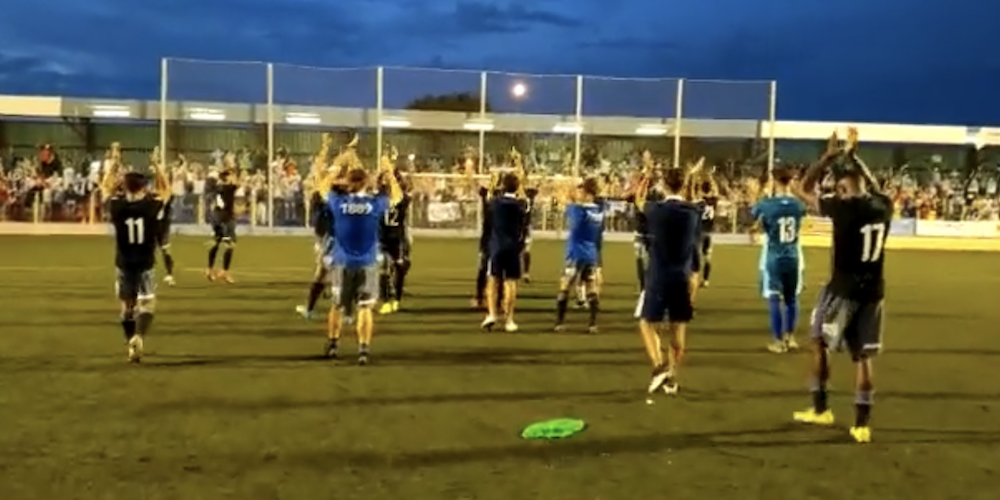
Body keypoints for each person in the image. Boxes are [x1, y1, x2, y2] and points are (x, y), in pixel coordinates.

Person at [793, 128, 891, 444]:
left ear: (841, 189)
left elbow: (802, 188)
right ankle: (862, 425)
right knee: (864, 358)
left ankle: (821, 408)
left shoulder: (843, 208)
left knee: (819, 343)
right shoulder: (883, 205)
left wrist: (827, 158)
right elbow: (873, 186)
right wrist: (853, 157)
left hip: (841, 290)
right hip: (874, 292)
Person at [321, 158, 403, 365]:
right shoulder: (374, 204)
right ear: (366, 183)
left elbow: (321, 188)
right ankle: (363, 350)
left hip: (342, 262)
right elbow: (398, 196)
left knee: (337, 305)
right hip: (367, 263)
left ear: (348, 184)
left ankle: (333, 345)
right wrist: (389, 171)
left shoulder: (339, 203)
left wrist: (335, 167)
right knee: (365, 308)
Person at [634, 164, 702, 395]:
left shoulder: (655, 209)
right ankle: (672, 377)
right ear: (683, 185)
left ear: (663, 185)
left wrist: (646, 174)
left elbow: (638, 199)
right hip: (682, 277)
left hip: (658, 276)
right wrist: (692, 179)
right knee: (678, 330)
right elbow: (692, 200)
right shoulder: (693, 212)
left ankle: (658, 367)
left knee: (646, 322)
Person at [102, 154, 171, 363]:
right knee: (147, 304)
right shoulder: (151, 205)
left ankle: (130, 342)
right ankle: (139, 336)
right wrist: (158, 166)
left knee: (127, 307)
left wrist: (114, 163)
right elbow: (166, 189)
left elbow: (105, 187)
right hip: (145, 263)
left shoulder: (117, 206)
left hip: (123, 263)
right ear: (143, 188)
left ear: (124, 187)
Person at [751, 167, 807, 353]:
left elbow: (753, 214)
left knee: (774, 298)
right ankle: (790, 337)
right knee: (792, 299)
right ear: (791, 181)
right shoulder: (798, 205)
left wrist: (760, 192)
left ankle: (777, 341)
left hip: (774, 256)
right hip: (793, 256)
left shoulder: (767, 204)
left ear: (774, 181)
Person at [554, 177, 605, 333]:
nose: (579, 192)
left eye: (581, 190)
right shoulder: (598, 211)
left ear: (588, 192)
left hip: (574, 253)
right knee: (591, 288)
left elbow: (563, 200)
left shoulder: (577, 210)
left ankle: (560, 322)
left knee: (565, 286)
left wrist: (566, 186)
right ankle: (592, 324)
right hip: (591, 254)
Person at [482, 173, 528, 332]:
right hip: (513, 247)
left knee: (493, 281)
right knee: (511, 283)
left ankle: (492, 314)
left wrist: (492, 183)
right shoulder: (521, 204)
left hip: (496, 247)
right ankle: (509, 320)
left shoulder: (495, 202)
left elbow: (488, 197)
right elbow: (524, 200)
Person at [378, 168, 412, 315]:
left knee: (395, 270)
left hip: (393, 238)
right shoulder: (399, 198)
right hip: (386, 239)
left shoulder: (381, 199)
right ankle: (389, 301)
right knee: (386, 270)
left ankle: (392, 300)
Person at [206, 168, 238, 283]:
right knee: (230, 244)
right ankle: (224, 271)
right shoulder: (229, 188)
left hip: (218, 218)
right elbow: (235, 182)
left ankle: (209, 269)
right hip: (226, 219)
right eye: (230, 175)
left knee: (217, 243)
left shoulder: (217, 188)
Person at [693, 175, 722, 287]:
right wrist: (711, 177)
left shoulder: (700, 201)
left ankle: (694, 277)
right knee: (707, 257)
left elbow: (697, 192)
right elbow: (716, 190)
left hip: (698, 232)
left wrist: (697, 179)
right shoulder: (713, 200)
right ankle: (706, 280)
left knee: (696, 256)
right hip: (709, 233)